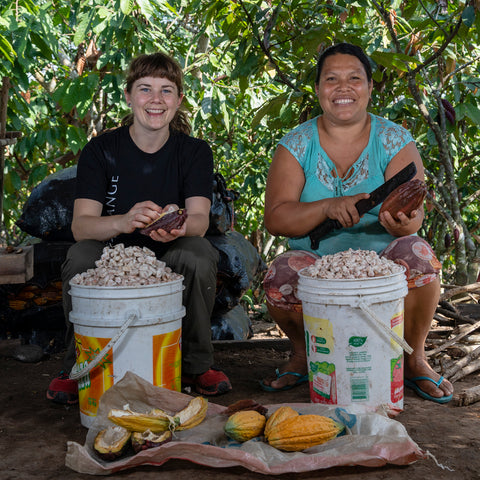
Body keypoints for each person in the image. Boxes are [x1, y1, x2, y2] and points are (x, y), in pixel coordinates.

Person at [260, 42, 453, 404]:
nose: (343, 88)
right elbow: (276, 218)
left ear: (369, 87)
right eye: (331, 79)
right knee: (281, 275)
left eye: (354, 78)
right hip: (317, 265)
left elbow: (414, 218)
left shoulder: (394, 139)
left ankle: (413, 359)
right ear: (318, 89)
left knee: (420, 254)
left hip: (383, 262)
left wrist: (401, 224)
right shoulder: (296, 144)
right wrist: (326, 207)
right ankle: (305, 354)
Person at [46, 52, 232, 404]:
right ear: (129, 96)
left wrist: (177, 227)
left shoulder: (194, 152)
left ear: (179, 100)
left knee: (198, 254)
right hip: (113, 251)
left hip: (170, 248)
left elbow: (200, 220)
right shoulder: (101, 150)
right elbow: (81, 225)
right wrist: (124, 220)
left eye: (166, 90)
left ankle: (194, 364)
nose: (156, 100)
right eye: (145, 89)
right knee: (79, 255)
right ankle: (78, 365)